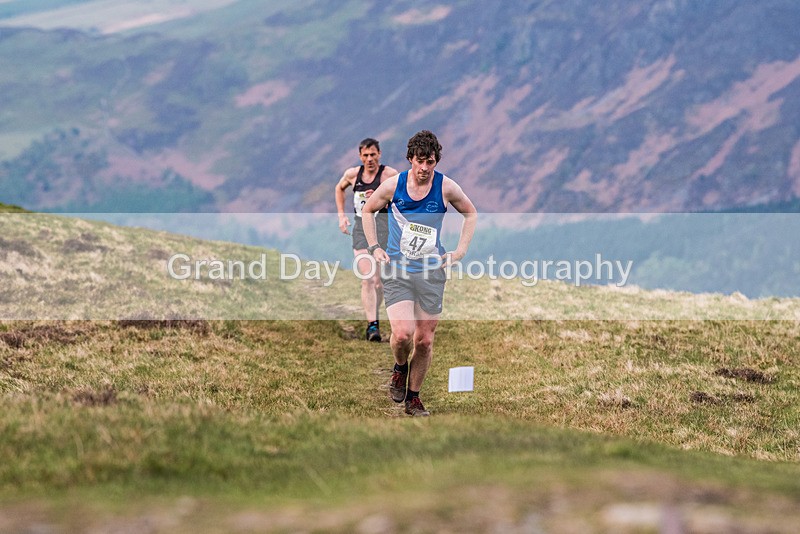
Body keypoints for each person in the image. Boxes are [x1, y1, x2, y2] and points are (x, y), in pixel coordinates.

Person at [361, 130, 477, 416]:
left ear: (436, 161)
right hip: (398, 270)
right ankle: (400, 367)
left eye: (431, 162)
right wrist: (375, 247)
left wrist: (459, 251)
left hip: (431, 273)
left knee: (424, 340)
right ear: (410, 159)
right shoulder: (393, 185)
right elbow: (368, 210)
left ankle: (413, 398)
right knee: (402, 335)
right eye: (420, 161)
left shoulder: (446, 187)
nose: (425, 168)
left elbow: (471, 213)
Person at [335, 138, 399, 342]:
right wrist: (341, 215)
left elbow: (403, 197)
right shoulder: (353, 175)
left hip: (383, 229)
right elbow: (339, 188)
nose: (369, 159)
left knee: (379, 283)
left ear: (379, 154)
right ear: (360, 156)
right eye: (365, 155)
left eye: (373, 154)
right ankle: (373, 326)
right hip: (361, 228)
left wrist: (386, 201)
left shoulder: (389, 175)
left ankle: (375, 314)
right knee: (368, 277)